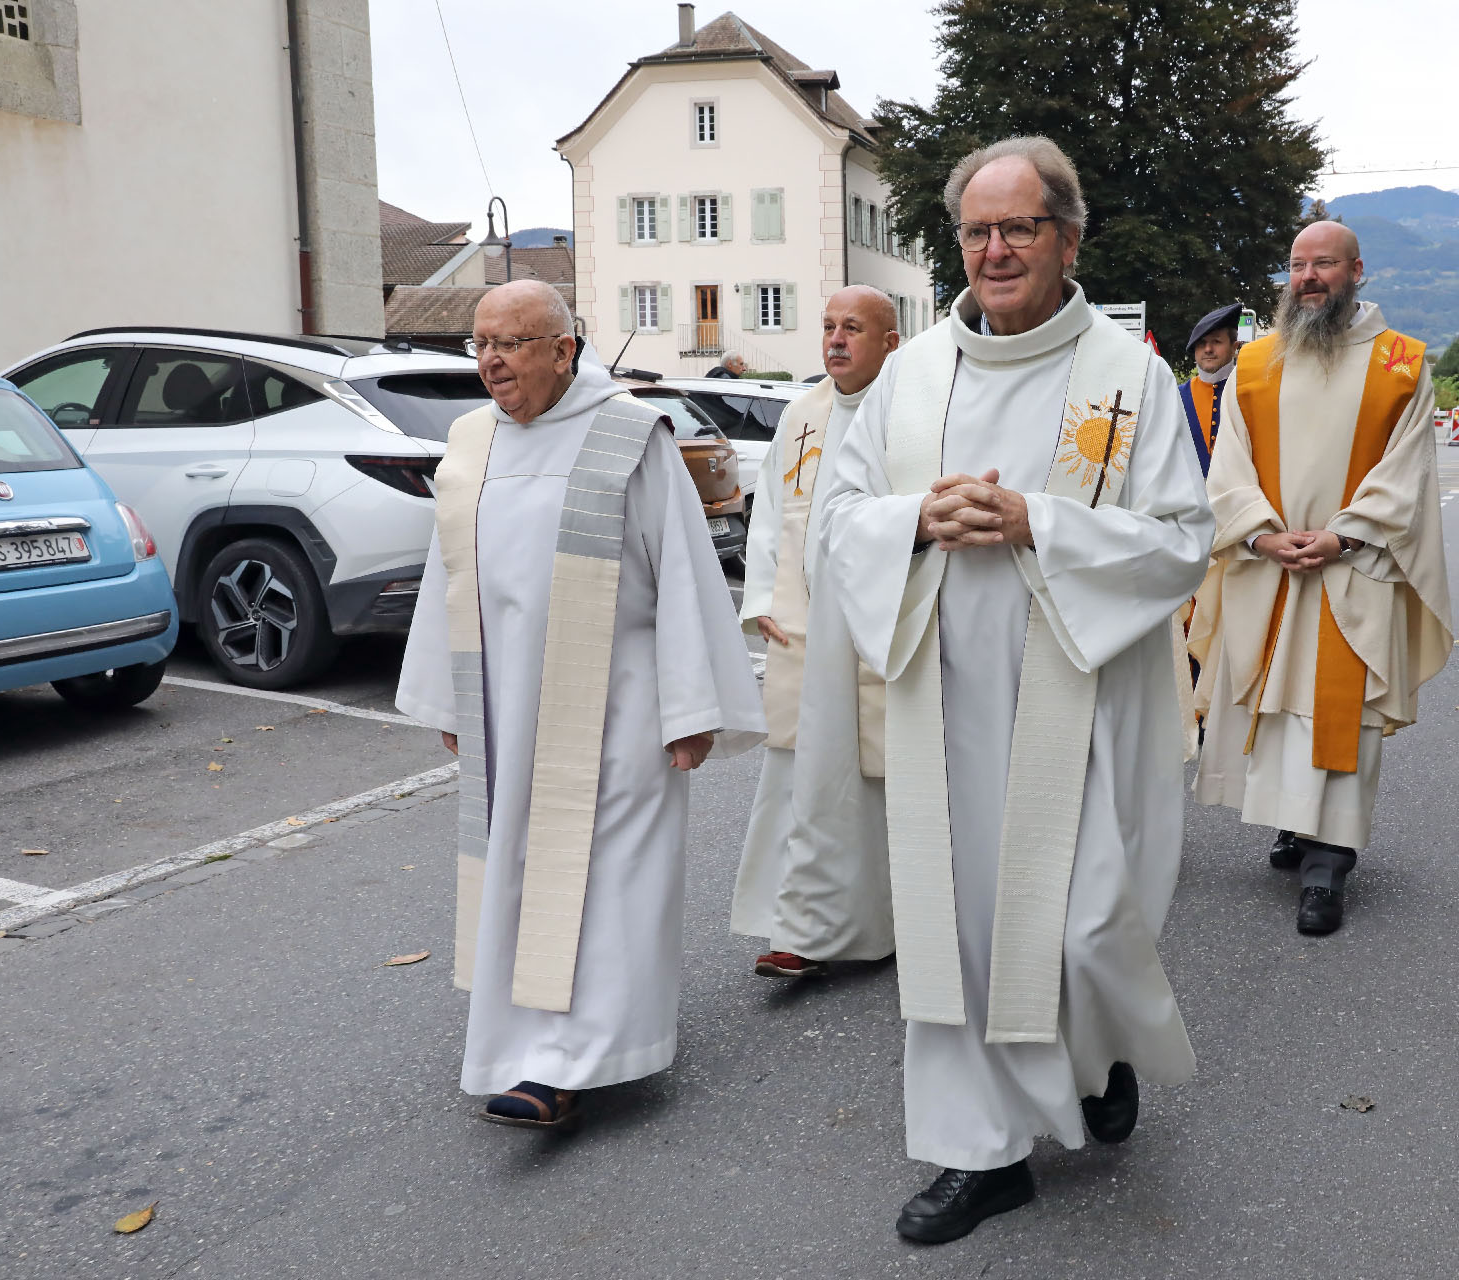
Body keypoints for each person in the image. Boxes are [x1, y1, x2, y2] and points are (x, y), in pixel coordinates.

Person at [819, 137, 1212, 1244]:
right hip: (942, 690)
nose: (994, 250)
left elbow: (1188, 538)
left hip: (1082, 698)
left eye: (1018, 228)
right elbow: (841, 517)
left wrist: (1041, 519)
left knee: (1086, 922)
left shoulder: (1132, 377)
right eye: (977, 231)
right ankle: (977, 1151)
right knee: (959, 928)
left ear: (1067, 239)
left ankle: (1097, 1054)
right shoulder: (909, 375)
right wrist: (917, 521)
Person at [396, 280, 764, 1129]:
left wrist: (691, 706)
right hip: (504, 701)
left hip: (617, 705)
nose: (490, 362)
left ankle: (581, 1059)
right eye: (479, 344)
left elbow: (681, 570)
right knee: (521, 873)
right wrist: (449, 691)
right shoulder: (470, 439)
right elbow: (447, 570)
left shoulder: (630, 436)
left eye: (512, 344)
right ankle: (524, 1047)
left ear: (564, 349)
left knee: (607, 880)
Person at [1188, 222, 1452, 937]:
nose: (1307, 277)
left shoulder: (1402, 363)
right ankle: (1292, 826)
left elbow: (1408, 470)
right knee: (1277, 708)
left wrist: (1343, 533)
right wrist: (1261, 531)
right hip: (1271, 564)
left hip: (1354, 565)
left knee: (1340, 711)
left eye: (1324, 264)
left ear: (1357, 271)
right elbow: (1229, 462)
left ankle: (1328, 863)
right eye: (1298, 264)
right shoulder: (1257, 362)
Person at [730, 285, 899, 978]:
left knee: (883, 781)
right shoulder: (803, 413)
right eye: (828, 326)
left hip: (882, 629)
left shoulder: (916, 413)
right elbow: (771, 513)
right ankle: (797, 925)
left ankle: (895, 921)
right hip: (804, 623)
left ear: (891, 342)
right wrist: (764, 596)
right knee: (799, 777)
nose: (834, 340)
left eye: (853, 328)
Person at [1181, 302, 1244, 472]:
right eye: (1201, 343)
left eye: (1216, 341)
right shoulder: (1177, 397)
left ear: (1234, 347)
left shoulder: (1246, 392)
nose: (1208, 349)